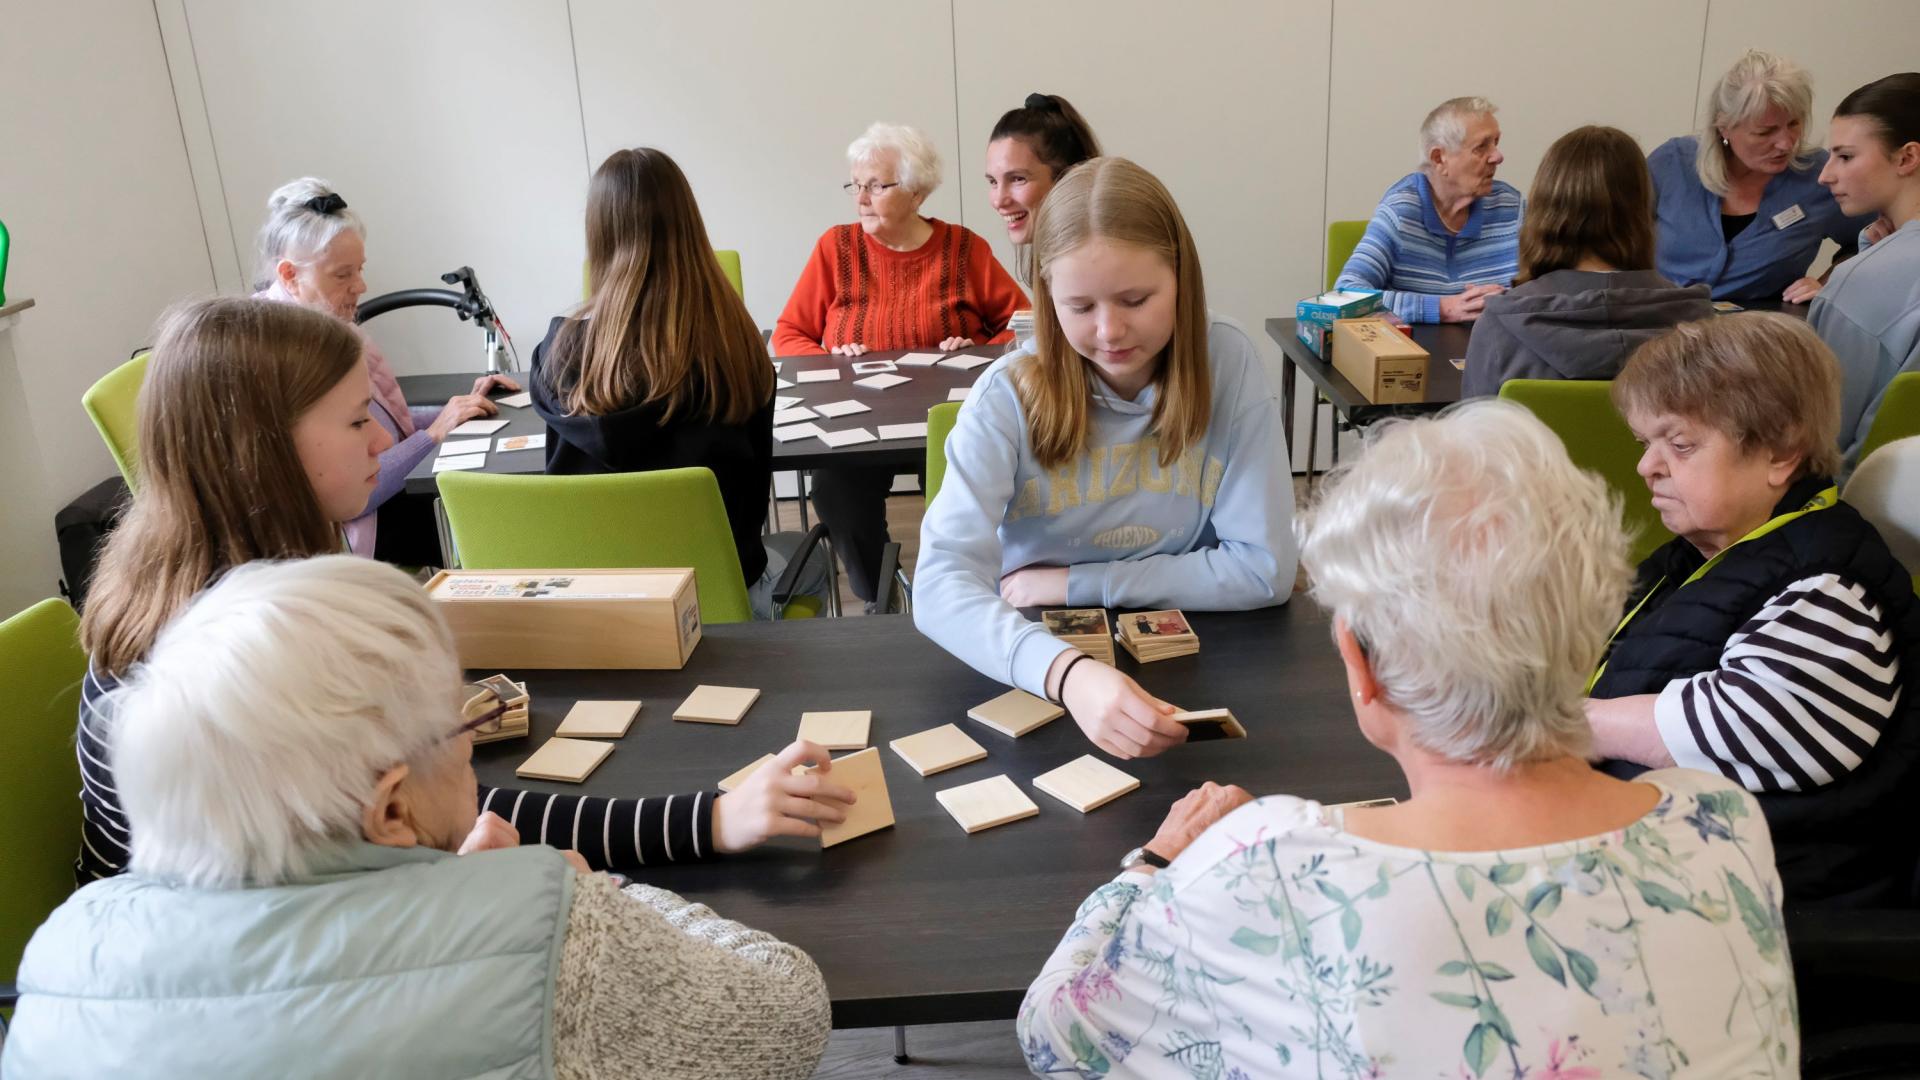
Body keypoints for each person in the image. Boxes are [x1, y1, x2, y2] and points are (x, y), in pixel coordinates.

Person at [1018, 401, 1797, 1077]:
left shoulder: (1270, 865)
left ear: (1360, 664)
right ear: (1591, 630)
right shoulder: (1722, 823)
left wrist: (1156, 864)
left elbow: (1054, 1033)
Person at [74, 297, 852, 886]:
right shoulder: (245, 661)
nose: (384, 440)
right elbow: (465, 812)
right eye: (357, 421)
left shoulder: (180, 590)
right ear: (264, 450)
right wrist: (709, 818)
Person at [4, 556, 832, 1079]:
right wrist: (594, 896)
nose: (475, 742)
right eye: (463, 725)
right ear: (392, 807)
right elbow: (787, 1015)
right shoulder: (551, 935)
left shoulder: (60, 955)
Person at [914, 157, 1295, 760]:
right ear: (1048, 297)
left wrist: (1078, 583)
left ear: (1182, 279)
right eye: (1080, 307)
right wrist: (1066, 673)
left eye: (1135, 299)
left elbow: (1265, 570)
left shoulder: (1226, 358)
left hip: (1189, 647)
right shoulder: (1007, 395)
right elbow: (939, 586)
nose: (1110, 331)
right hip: (1034, 656)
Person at [1587, 313, 1920, 905]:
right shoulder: (1708, 554)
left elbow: (1742, 724)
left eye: (1680, 444)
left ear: (1781, 451)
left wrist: (1575, 726)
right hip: (1668, 869)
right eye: (1646, 444)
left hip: (1767, 913)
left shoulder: (1830, 588)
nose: (1646, 466)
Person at [531, 147, 828, 619]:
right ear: (690, 227)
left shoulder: (557, 354)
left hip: (600, 611)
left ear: (598, 236)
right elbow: (753, 496)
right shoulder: (736, 350)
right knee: (811, 556)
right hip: (719, 603)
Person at [774, 123, 1028, 605]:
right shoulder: (836, 247)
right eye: (856, 185)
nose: (860, 199)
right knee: (834, 490)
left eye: (876, 186)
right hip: (856, 423)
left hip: (944, 422)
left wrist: (976, 348)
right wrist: (832, 363)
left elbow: (1024, 327)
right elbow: (789, 334)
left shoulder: (963, 249)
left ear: (916, 192)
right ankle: (881, 594)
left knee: (968, 478)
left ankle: (955, 588)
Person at [255, 178, 517, 565]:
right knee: (495, 517)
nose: (360, 286)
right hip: (359, 524)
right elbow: (353, 495)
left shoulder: (328, 329)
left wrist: (460, 408)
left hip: (381, 496)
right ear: (290, 275)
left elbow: (384, 427)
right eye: (342, 275)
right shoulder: (288, 357)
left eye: (359, 270)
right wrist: (433, 433)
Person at [1463, 125, 1715, 396]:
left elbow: (1474, 421)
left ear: (1544, 210)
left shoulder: (1499, 327)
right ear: (1642, 210)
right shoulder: (1701, 328)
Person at [1649, 50, 1877, 302]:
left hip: (1760, 324)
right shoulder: (1673, 163)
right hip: (1659, 316)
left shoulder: (1822, 175)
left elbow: (1874, 240)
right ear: (1724, 128)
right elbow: (1619, 237)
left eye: (1793, 124)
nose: (1785, 144)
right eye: (1765, 132)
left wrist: (1828, 282)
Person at [1809, 72, 1920, 463]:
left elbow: (1823, 440)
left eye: (1845, 156)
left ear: (1907, 158)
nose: (1825, 175)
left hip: (1868, 493)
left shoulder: (1858, 285)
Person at [1335, 96, 1522, 324]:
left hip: (1494, 344)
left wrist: (1509, 300)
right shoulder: (1401, 211)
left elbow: (1551, 289)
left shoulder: (1512, 207)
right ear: (1439, 158)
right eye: (1481, 147)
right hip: (1418, 345)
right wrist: (1443, 308)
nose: (1498, 156)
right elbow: (1347, 295)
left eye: (1496, 143)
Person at [985, 92, 1102, 282]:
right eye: (993, 182)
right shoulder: (1054, 269)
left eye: (1017, 179)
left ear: (1067, 177)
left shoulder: (1095, 268)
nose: (999, 201)